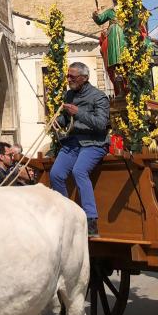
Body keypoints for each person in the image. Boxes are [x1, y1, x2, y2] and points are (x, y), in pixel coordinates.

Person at [50, 62, 110, 238]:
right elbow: (65, 118)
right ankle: (68, 216)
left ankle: (91, 221)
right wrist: (58, 121)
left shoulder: (99, 97)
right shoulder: (69, 94)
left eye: (73, 77)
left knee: (79, 171)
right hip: (74, 143)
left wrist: (78, 112)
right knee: (56, 174)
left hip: (94, 142)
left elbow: (101, 124)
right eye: (68, 76)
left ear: (84, 78)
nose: (69, 80)